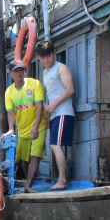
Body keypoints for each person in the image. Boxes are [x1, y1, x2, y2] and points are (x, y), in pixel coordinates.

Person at [36, 40, 75, 190]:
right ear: (39, 58)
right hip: (54, 115)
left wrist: (53, 105)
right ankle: (61, 179)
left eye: (48, 55)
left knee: (55, 145)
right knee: (55, 146)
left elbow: (70, 89)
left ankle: (62, 180)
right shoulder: (45, 73)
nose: (46, 59)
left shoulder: (61, 68)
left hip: (63, 113)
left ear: (54, 54)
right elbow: (50, 96)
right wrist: (47, 116)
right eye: (43, 57)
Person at [4, 60, 47, 193]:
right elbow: (11, 112)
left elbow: (39, 106)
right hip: (22, 130)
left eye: (21, 70)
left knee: (35, 155)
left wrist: (36, 126)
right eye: (16, 71)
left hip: (39, 125)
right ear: (10, 73)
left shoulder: (35, 84)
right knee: (23, 159)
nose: (19, 73)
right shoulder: (9, 92)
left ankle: (28, 186)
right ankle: (22, 179)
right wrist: (11, 129)